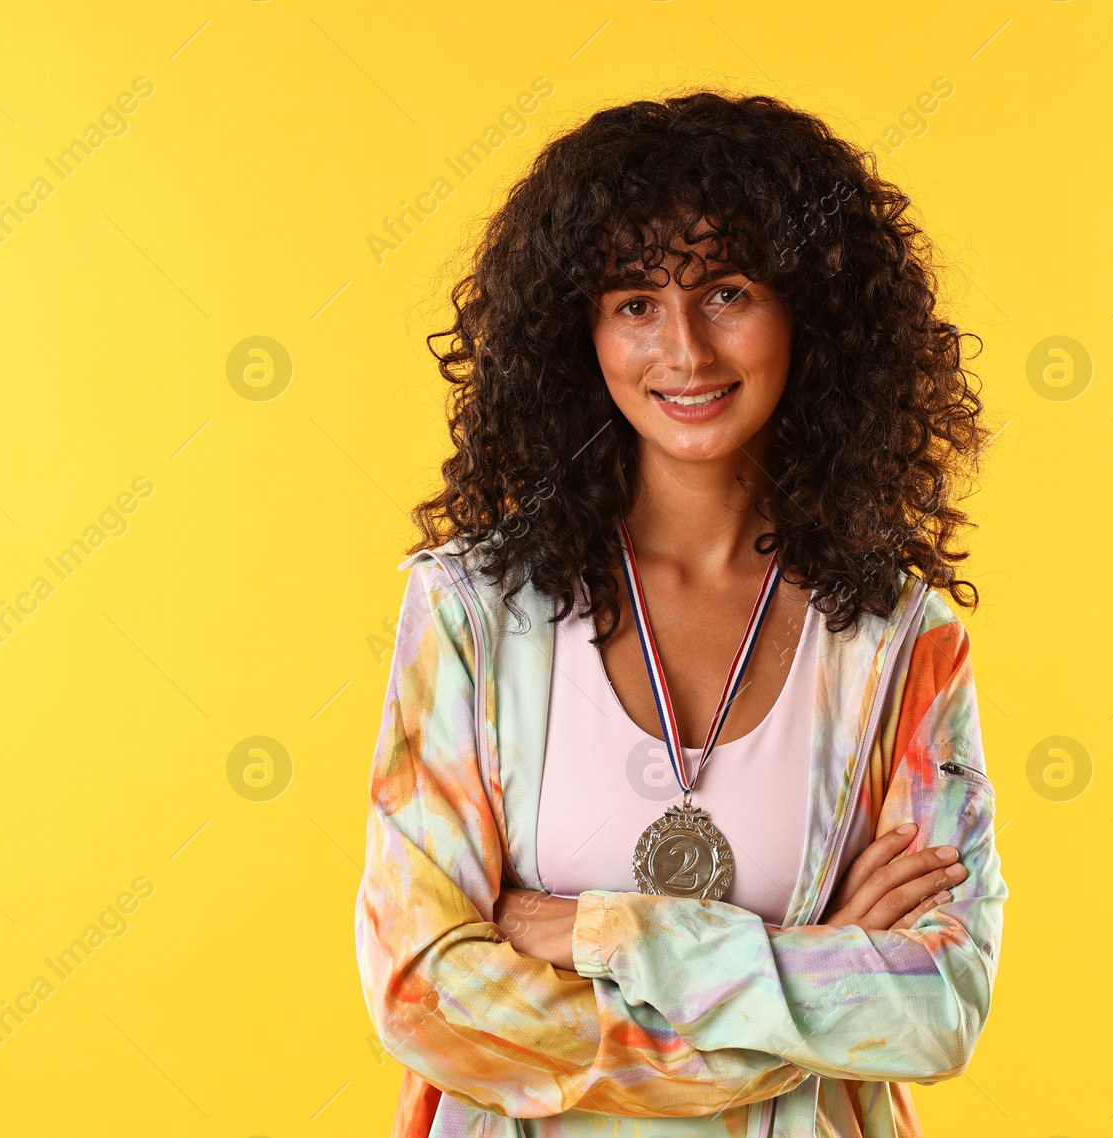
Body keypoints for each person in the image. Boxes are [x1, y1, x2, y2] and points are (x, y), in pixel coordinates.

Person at [354, 89, 1005, 1138]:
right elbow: (421, 994)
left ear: (811, 310)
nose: (687, 352)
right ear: (579, 330)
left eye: (729, 292)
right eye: (634, 302)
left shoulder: (901, 643)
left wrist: (600, 930)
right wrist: (808, 977)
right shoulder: (470, 611)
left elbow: (934, 1011)